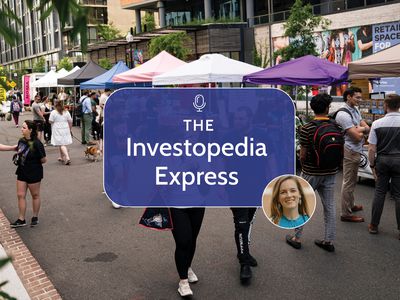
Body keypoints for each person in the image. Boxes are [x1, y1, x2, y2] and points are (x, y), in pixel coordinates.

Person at [286, 94, 340, 252]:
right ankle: (328, 240)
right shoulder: (336, 126)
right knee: (329, 206)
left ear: (313, 108)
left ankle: (297, 237)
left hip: (311, 171)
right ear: (327, 108)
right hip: (331, 171)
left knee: (302, 203)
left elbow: (302, 154)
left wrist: (304, 167)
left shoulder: (307, 128)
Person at [367, 94, 400, 239]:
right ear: (399, 106)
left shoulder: (377, 124)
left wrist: (372, 164)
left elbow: (371, 149)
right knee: (399, 195)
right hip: (399, 160)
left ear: (386, 106)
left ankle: (374, 225)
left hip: (383, 161)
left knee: (380, 192)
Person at [335, 87, 370, 222]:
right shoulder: (343, 114)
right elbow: (356, 137)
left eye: (360, 97)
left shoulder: (355, 109)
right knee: (348, 182)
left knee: (352, 180)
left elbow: (365, 127)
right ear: (348, 97)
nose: (359, 100)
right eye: (357, 97)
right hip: (349, 149)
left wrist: (359, 129)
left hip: (356, 150)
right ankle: (346, 213)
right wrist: (362, 130)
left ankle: (351, 204)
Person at [11, 120, 47, 228]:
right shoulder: (21, 141)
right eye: (22, 127)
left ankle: (35, 217)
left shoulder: (37, 143)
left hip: (34, 172)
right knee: (20, 195)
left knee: (35, 195)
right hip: (22, 171)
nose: (22, 129)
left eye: (24, 128)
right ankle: (21, 219)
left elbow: (44, 160)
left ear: (30, 130)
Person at [170, 208, 205, 297]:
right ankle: (183, 281)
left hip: (198, 203)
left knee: (192, 239)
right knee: (183, 241)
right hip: (176, 205)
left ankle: (187, 267)